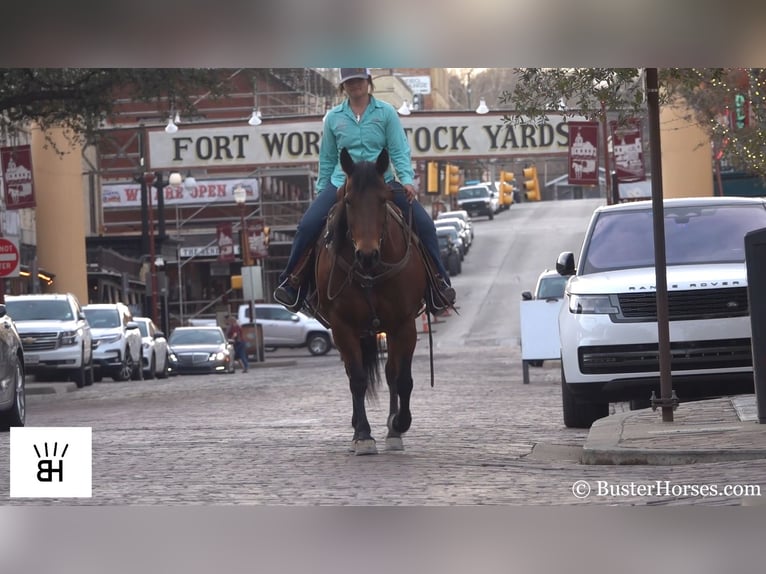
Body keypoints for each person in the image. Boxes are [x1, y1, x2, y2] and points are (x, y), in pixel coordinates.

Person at [274, 67, 456, 314]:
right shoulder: (333, 118)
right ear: (343, 86)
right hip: (343, 182)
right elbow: (327, 159)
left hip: (383, 181)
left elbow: (399, 149)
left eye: (359, 80)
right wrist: (322, 191)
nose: (355, 85)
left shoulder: (387, 113)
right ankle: (292, 283)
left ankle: (439, 284)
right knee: (307, 225)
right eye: (349, 81)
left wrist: (407, 180)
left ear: (368, 82)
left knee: (424, 225)